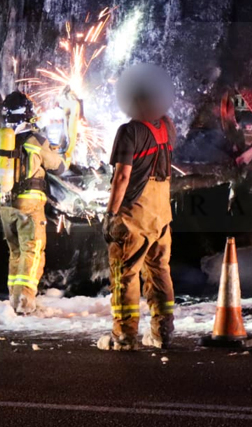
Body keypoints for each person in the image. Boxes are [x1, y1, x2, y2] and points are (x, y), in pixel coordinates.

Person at [100, 67, 176, 350]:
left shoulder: (129, 131)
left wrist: (110, 214)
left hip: (135, 213)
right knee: (159, 270)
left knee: (125, 273)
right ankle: (163, 332)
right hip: (162, 212)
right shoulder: (166, 127)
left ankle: (124, 336)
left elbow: (121, 177)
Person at [0, 91, 67, 314]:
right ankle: (24, 301)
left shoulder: (1, 139)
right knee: (32, 250)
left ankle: (15, 299)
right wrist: (60, 149)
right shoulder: (37, 140)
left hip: (5, 203)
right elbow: (59, 166)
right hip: (29, 204)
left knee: (15, 252)